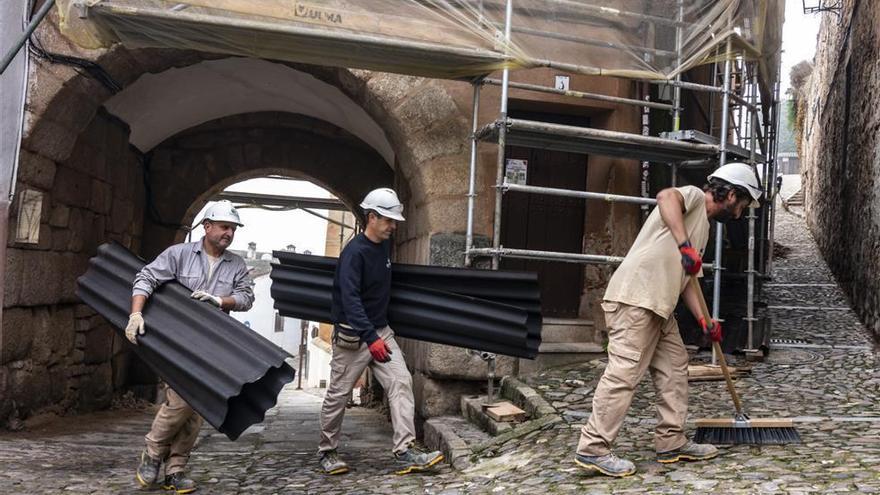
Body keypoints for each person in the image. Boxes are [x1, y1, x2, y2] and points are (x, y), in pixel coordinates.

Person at [574, 162, 762, 477]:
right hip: (636, 299)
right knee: (623, 375)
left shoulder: (702, 224)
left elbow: (689, 280)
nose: (741, 212)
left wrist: (705, 321)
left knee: (675, 368)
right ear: (729, 193)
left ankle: (671, 441)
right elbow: (664, 197)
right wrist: (684, 245)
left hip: (659, 306)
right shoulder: (692, 197)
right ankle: (593, 448)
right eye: (742, 202)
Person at [125, 200, 255, 493]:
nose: (229, 233)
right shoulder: (178, 255)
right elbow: (146, 278)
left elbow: (246, 298)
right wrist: (136, 314)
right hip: (176, 341)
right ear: (207, 227)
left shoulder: (236, 264)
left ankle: (176, 470)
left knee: (197, 408)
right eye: (224, 227)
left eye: (233, 229)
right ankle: (154, 450)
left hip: (212, 345)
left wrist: (221, 301)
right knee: (182, 400)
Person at [318, 188, 443, 476]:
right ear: (371, 217)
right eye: (388, 220)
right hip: (354, 336)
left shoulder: (383, 247)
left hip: (380, 332)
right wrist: (369, 337)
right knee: (339, 394)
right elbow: (350, 301)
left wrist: (377, 335)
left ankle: (405, 450)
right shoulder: (354, 254)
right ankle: (327, 451)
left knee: (401, 382)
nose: (394, 226)